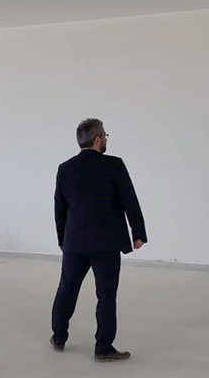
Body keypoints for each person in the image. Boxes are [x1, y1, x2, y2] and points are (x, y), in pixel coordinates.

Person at [51, 118, 147, 361]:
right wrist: (138, 233)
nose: (105, 139)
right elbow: (130, 200)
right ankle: (103, 347)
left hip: (75, 242)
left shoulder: (65, 168)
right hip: (107, 242)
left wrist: (63, 240)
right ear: (97, 140)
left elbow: (60, 208)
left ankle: (59, 337)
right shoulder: (114, 165)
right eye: (104, 136)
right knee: (106, 295)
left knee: (67, 288)